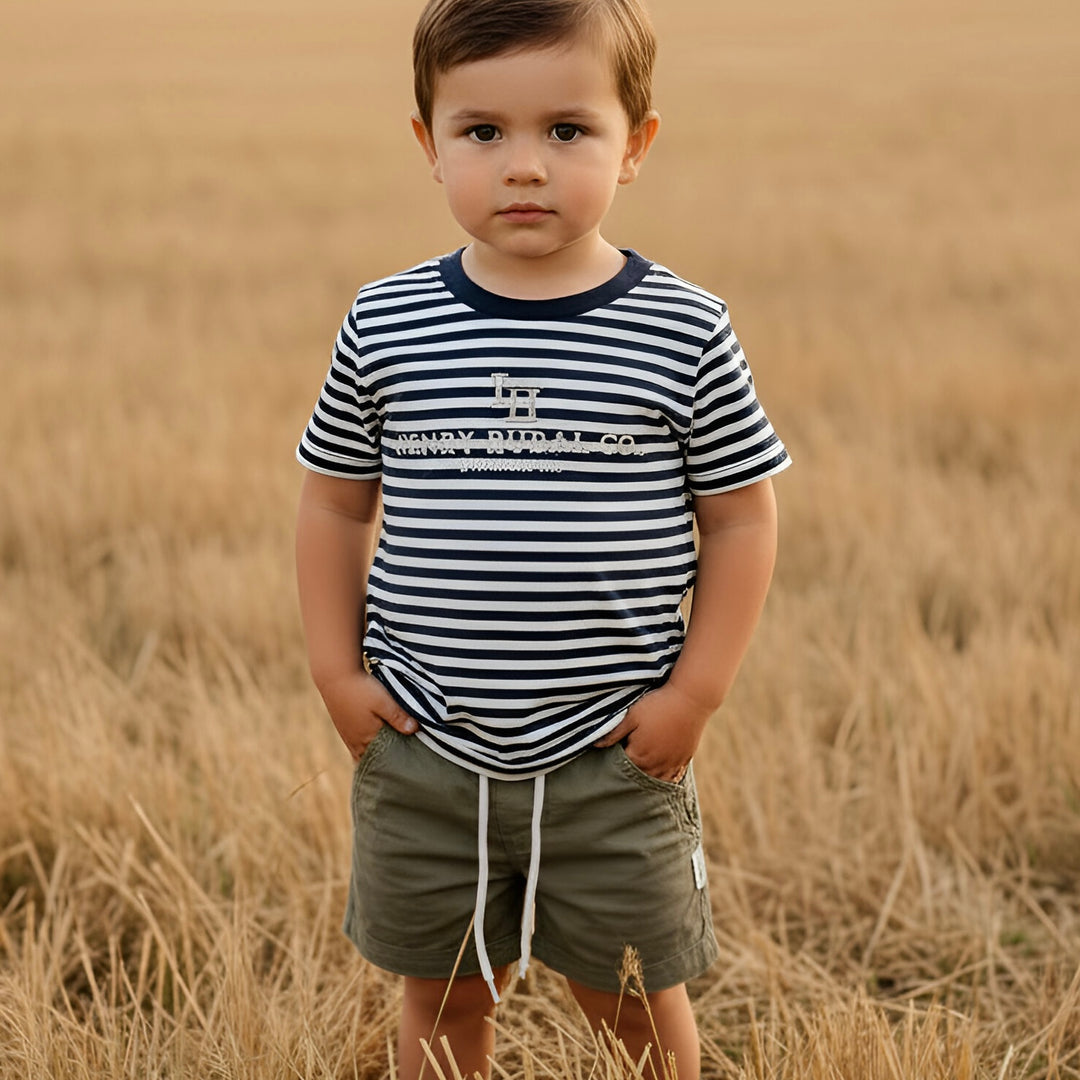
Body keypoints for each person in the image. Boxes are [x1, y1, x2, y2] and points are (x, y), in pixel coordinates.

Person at [294, 0, 790, 1075]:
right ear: (429, 146)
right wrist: (337, 674)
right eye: (483, 132)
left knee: (632, 1011)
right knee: (446, 1004)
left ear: (636, 145)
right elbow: (334, 501)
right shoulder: (386, 323)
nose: (525, 166)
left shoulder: (683, 327)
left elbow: (741, 518)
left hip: (616, 752)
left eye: (568, 130)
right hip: (425, 748)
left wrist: (693, 697)